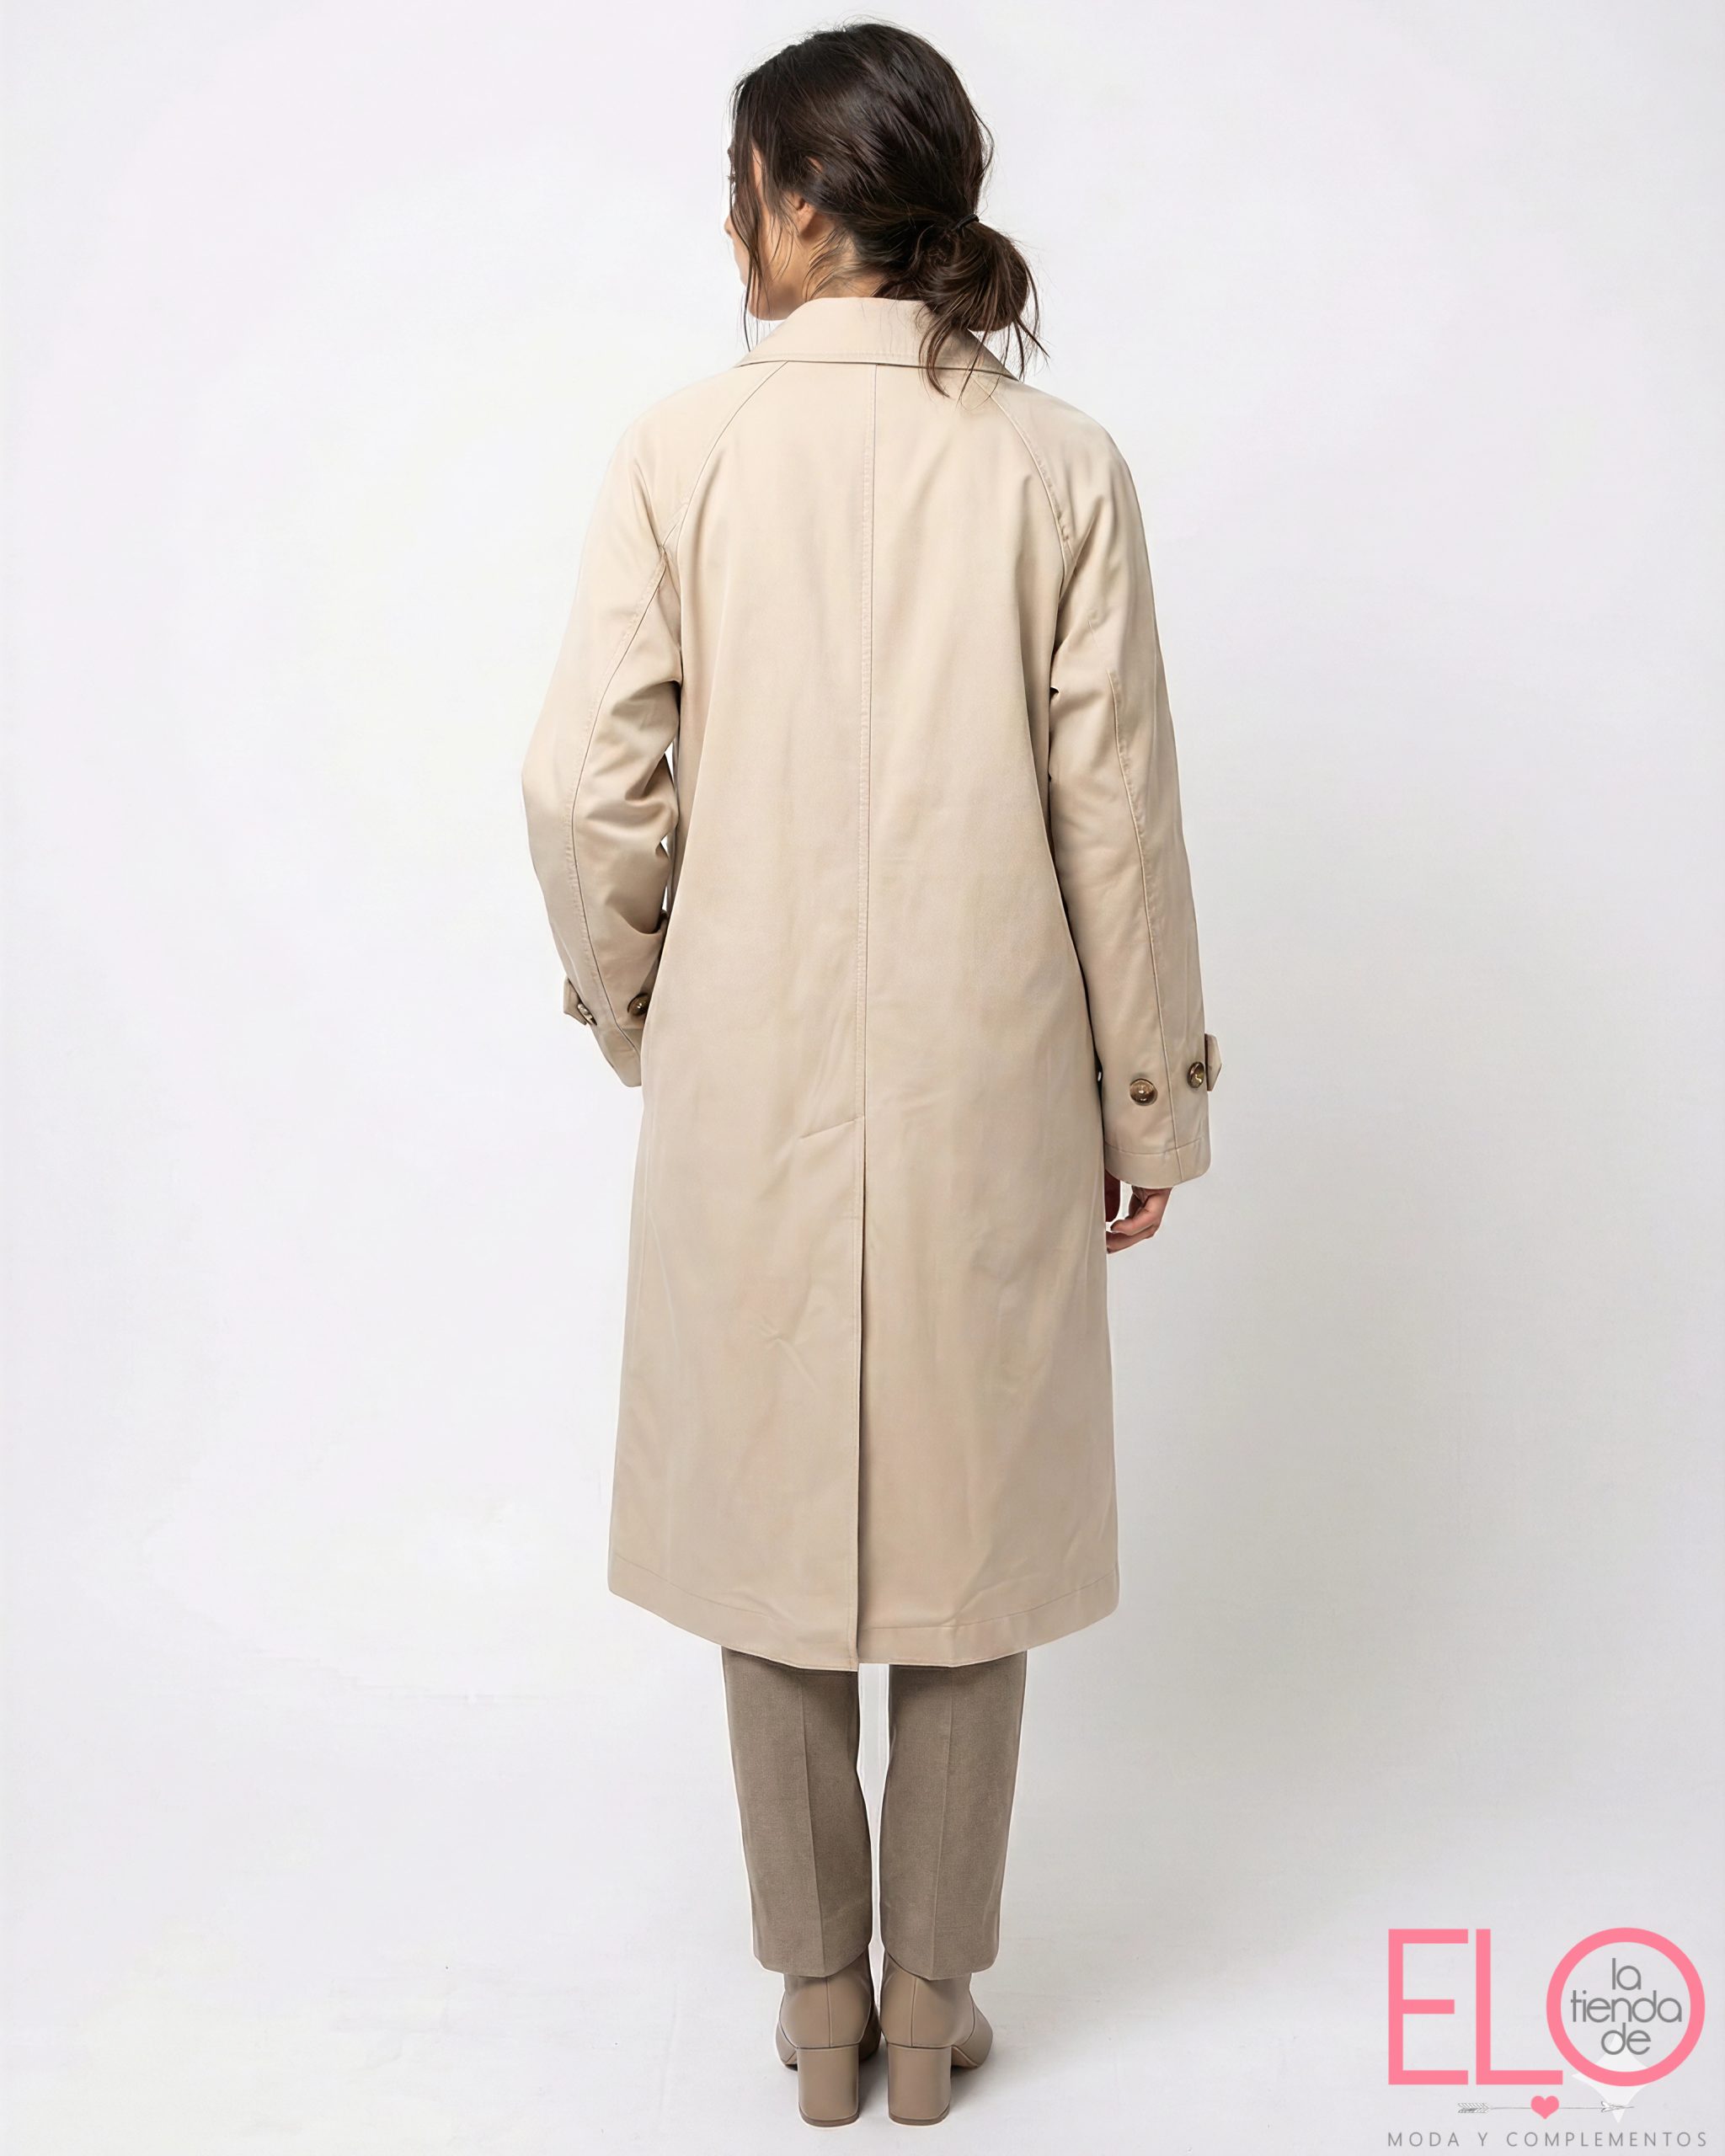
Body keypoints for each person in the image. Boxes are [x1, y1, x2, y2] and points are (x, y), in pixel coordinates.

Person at [522, 22, 1217, 2128]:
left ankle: (817, 2006)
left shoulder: (685, 450)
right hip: (991, 1086)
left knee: (772, 1537)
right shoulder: (1057, 466)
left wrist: (641, 1005)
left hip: (742, 1083)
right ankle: (932, 2012)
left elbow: (583, 788)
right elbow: (1117, 819)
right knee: (967, 1537)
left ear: (804, 196)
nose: (723, 222)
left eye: (738, 182)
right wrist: (1146, 1099)